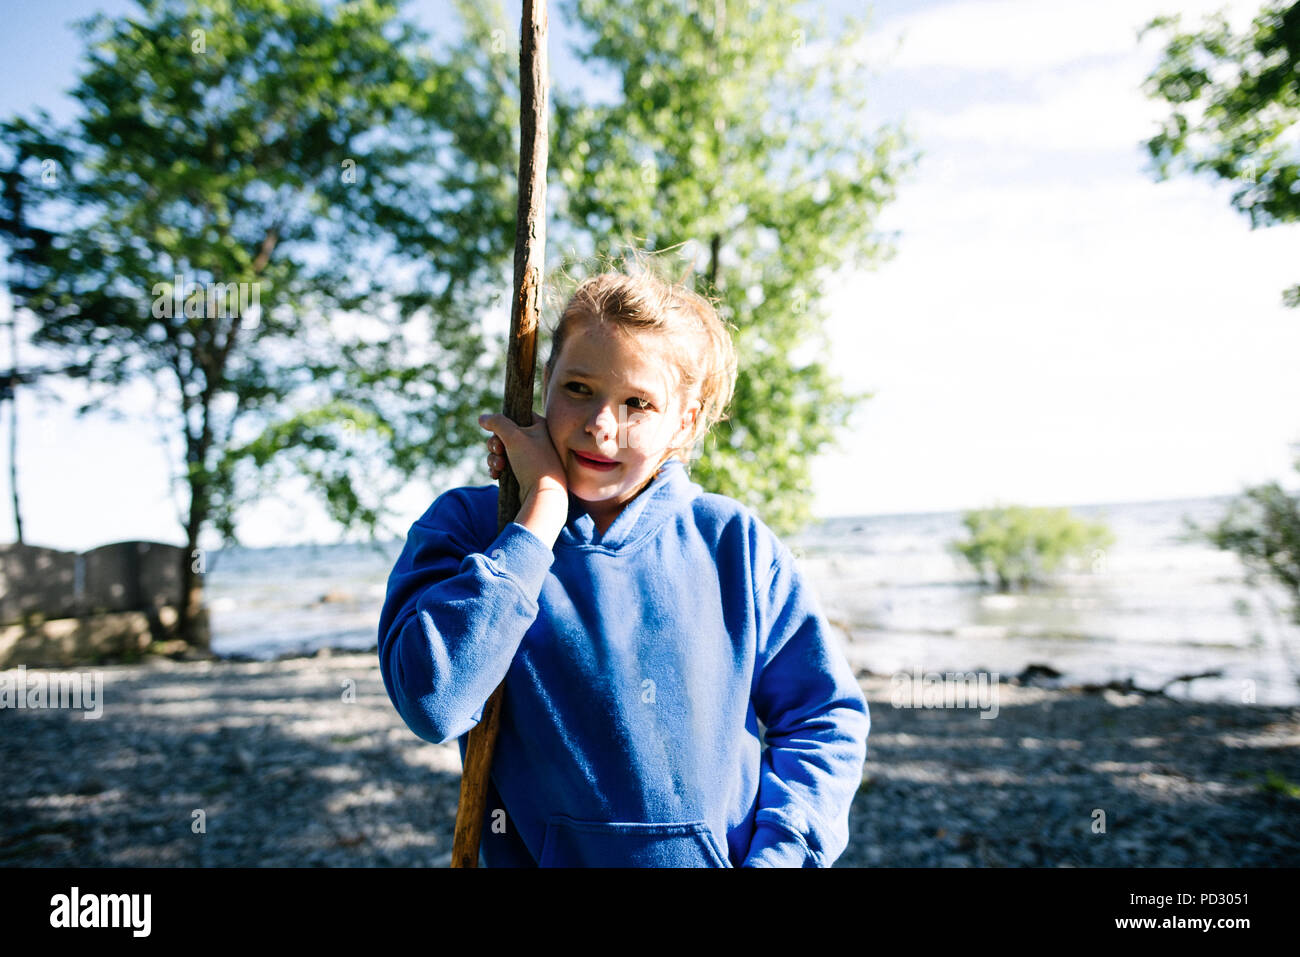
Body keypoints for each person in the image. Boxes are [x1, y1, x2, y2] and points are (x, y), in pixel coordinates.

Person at [377, 264, 869, 867]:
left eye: (638, 403)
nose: (600, 426)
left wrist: (785, 853)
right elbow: (433, 703)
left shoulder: (733, 543)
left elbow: (823, 716)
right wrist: (537, 519)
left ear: (685, 421)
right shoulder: (473, 530)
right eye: (578, 389)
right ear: (542, 383)